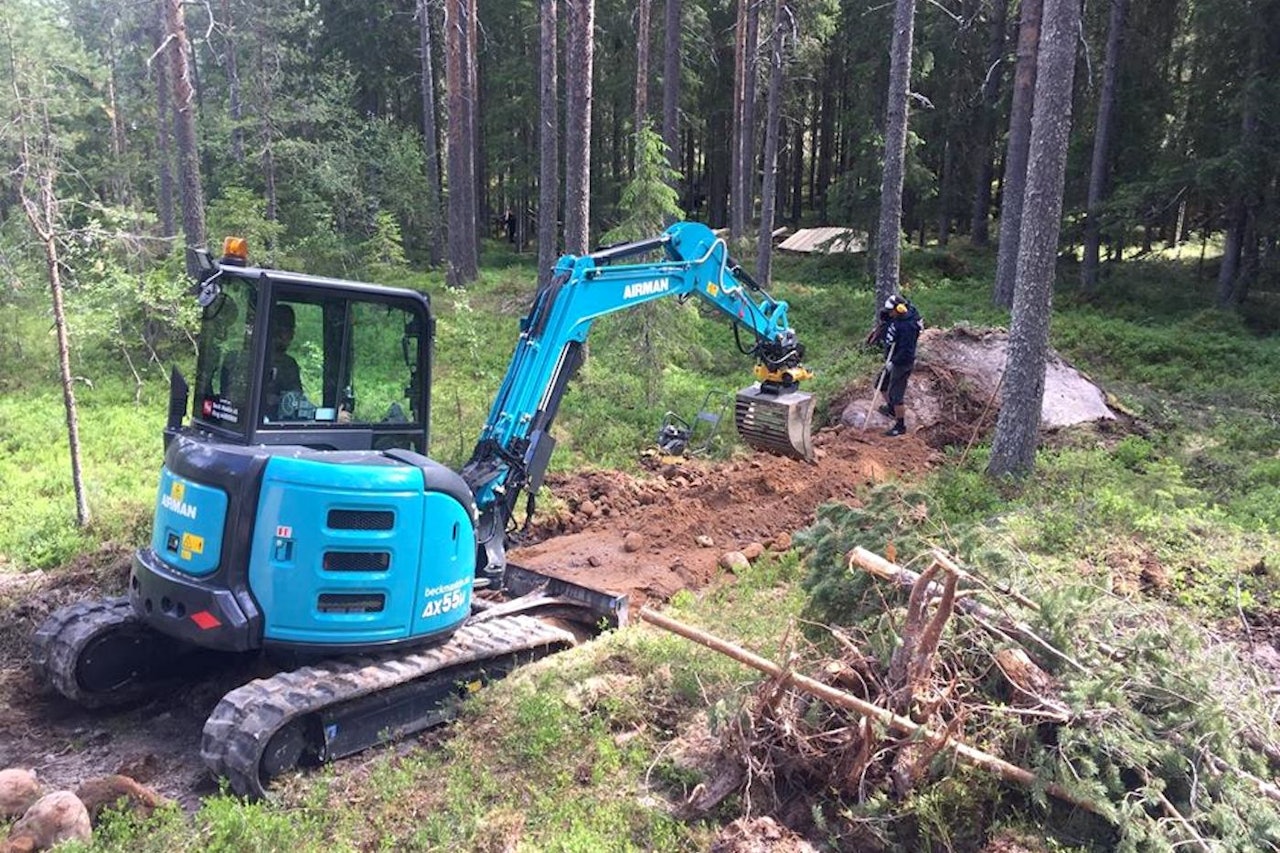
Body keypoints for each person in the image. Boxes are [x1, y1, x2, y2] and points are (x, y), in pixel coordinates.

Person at [872, 294, 923, 437]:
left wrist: (894, 362)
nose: (889, 313)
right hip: (892, 359)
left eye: (891, 311)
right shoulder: (898, 317)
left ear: (900, 309)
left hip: (902, 363)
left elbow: (907, 350)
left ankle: (900, 426)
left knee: (896, 395)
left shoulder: (908, 326)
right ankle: (891, 409)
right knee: (881, 385)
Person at [264, 304, 303, 419]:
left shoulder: (289, 364)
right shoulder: (286, 364)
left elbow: (296, 402)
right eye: (288, 330)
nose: (291, 335)